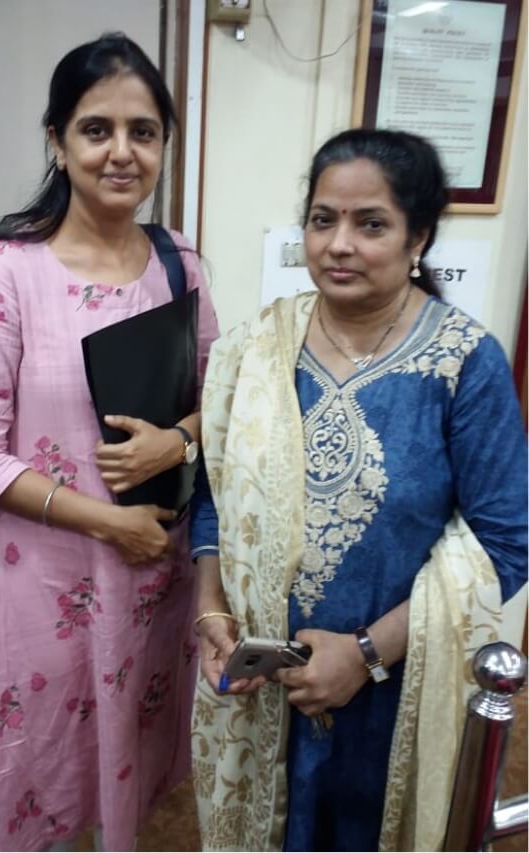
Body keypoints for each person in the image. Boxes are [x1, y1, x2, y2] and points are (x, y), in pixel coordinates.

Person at [189, 128, 527, 852]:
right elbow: (216, 492)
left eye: (370, 224)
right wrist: (209, 610)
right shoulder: (255, 350)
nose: (339, 244)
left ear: (417, 237)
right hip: (263, 688)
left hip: (392, 697)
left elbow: (506, 541)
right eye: (323, 220)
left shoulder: (464, 363)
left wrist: (366, 653)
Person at [0, 32, 218, 852]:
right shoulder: (9, 271)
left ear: (164, 144)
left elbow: (225, 400)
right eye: (97, 129)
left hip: (152, 582)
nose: (121, 152)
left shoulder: (179, 263)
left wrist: (175, 442)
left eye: (143, 131)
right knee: (39, 779)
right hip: (44, 588)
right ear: (57, 142)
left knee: (122, 770)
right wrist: (108, 522)